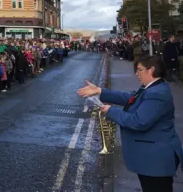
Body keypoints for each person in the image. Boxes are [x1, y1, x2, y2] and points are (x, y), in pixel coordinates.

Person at [77, 56, 183, 192]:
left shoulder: (157, 93)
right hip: (151, 158)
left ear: (151, 70)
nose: (136, 74)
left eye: (139, 70)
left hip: (156, 160)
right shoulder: (151, 87)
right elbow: (129, 98)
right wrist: (100, 91)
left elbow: (138, 122)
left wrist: (111, 111)